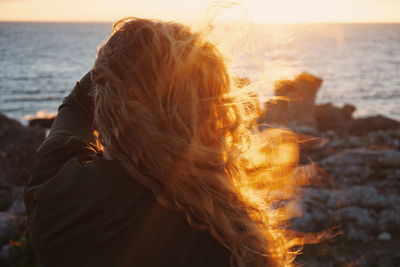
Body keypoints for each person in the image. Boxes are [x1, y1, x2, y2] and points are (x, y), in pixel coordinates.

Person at [25, 17, 303, 267]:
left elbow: (75, 105)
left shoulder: (52, 196)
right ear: (211, 111)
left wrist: (117, 63)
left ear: (108, 99)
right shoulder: (226, 231)